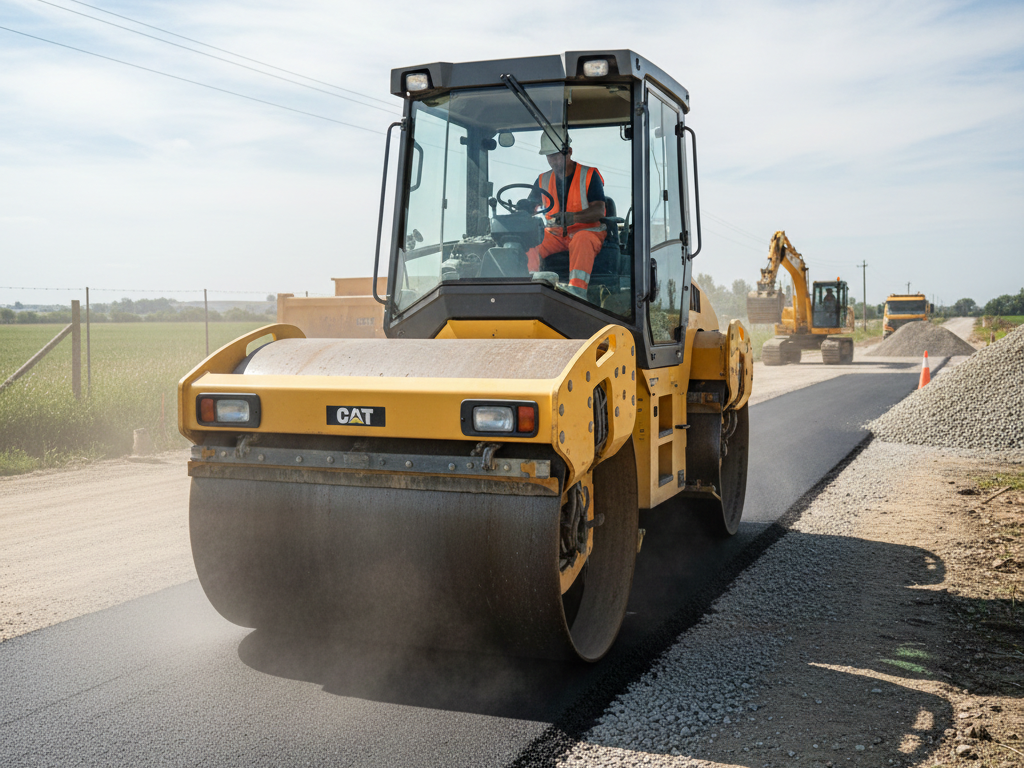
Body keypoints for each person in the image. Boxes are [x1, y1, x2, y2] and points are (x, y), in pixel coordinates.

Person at [526, 132, 606, 299]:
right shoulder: (542, 180)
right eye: (549, 157)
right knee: (529, 242)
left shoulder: (590, 175)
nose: (553, 161)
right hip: (554, 234)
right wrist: (523, 209)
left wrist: (572, 218)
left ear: (569, 151)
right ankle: (530, 286)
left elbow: (599, 210)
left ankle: (577, 291)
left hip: (587, 231)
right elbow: (530, 208)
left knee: (581, 239)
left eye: (556, 156)